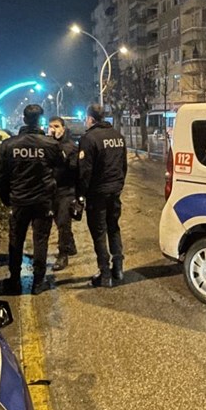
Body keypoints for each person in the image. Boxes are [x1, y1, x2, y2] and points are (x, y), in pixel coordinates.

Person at [0, 104, 62, 295]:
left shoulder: (9, 145)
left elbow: (0, 177)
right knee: (41, 241)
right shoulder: (50, 145)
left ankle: (14, 280)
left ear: (24, 120)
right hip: (43, 202)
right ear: (40, 121)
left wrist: (7, 199)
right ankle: (38, 283)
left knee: (16, 241)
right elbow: (61, 170)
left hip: (19, 201)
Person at [78, 103, 127, 288]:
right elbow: (123, 166)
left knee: (99, 233)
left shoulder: (89, 138)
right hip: (114, 192)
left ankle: (105, 274)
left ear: (90, 118)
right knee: (113, 228)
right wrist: (119, 186)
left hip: (97, 194)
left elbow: (85, 172)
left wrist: (81, 195)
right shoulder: (118, 136)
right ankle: (119, 269)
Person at [47, 116, 82, 271]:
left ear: (63, 128)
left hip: (66, 190)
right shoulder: (49, 145)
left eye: (56, 126)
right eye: (50, 126)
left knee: (63, 222)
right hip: (52, 190)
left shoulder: (70, 146)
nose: (53, 129)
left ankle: (63, 255)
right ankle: (71, 245)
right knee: (58, 220)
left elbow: (75, 169)